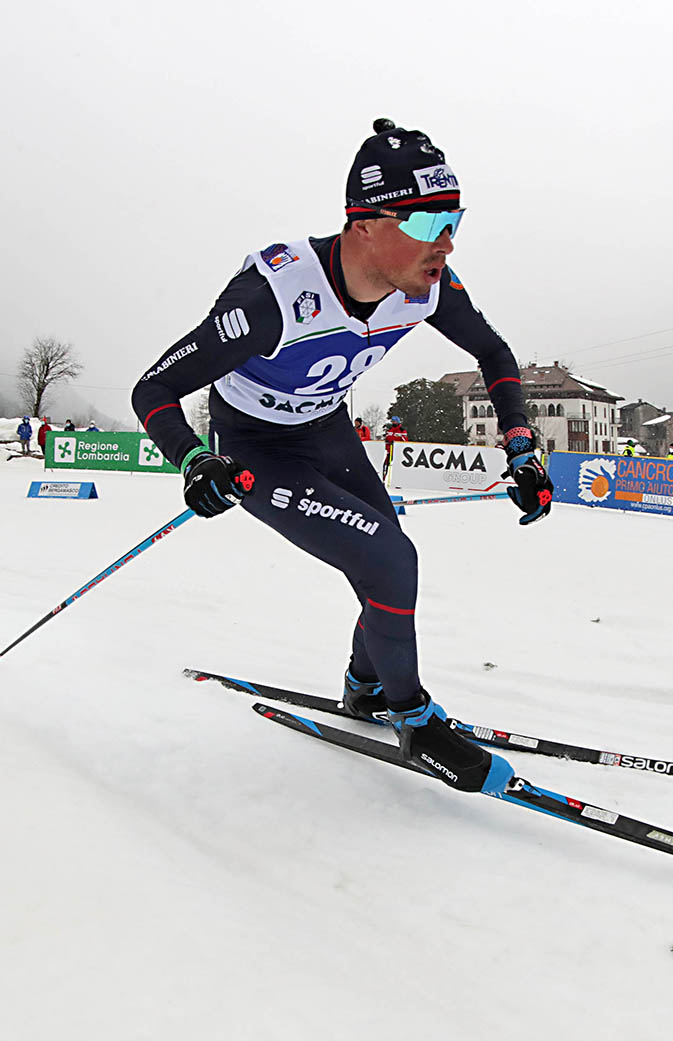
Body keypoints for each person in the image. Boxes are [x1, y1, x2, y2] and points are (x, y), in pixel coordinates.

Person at [131, 118, 553, 796]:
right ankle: (413, 718)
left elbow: (494, 354)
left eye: (454, 220)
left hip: (325, 429)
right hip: (255, 447)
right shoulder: (273, 297)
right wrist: (191, 459)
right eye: (424, 222)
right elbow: (153, 387)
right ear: (363, 224)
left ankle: (365, 688)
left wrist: (521, 445)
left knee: (384, 557)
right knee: (389, 557)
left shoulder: (427, 282)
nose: (443, 243)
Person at [382, 415, 409, 479]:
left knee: (396, 466)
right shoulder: (390, 429)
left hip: (398, 452)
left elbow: (405, 441)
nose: (393, 423)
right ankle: (384, 477)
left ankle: (396, 479)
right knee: (386, 464)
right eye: (392, 421)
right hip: (389, 450)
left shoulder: (402, 430)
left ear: (397, 422)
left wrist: (397, 440)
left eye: (394, 421)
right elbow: (387, 438)